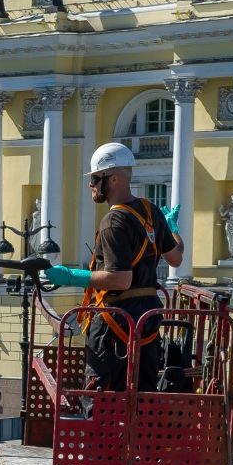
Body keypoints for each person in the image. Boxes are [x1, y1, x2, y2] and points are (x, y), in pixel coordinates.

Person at [45, 142, 183, 393]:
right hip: (148, 320)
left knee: (102, 397)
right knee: (143, 397)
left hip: (115, 325)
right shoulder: (150, 211)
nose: (91, 185)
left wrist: (71, 276)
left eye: (96, 178)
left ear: (115, 179)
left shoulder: (113, 221)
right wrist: (173, 231)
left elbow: (120, 280)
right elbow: (176, 258)